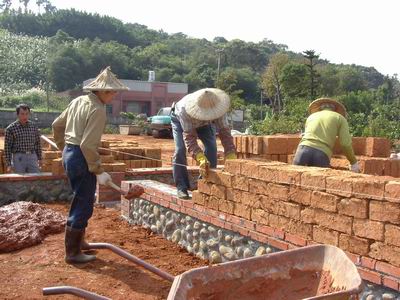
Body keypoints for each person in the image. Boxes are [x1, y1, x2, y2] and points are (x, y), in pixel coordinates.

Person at [52, 67, 128, 264]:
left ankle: (80, 243)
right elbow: (87, 145)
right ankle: (73, 253)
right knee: (84, 203)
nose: (114, 95)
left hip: (71, 153)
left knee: (80, 198)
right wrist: (98, 169)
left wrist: (64, 149)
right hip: (82, 156)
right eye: (112, 92)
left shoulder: (78, 101)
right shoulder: (98, 109)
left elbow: (56, 126)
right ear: (102, 91)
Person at [171, 88, 237, 199]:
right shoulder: (184, 110)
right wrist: (200, 157)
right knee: (180, 150)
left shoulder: (219, 109)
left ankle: (205, 184)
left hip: (205, 124)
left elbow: (225, 133)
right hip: (179, 121)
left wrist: (230, 152)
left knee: (212, 147)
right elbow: (190, 139)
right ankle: (181, 187)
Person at [293, 98, 360, 172]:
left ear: (320, 108)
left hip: (302, 150)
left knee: (294, 180)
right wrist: (353, 162)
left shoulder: (311, 117)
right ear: (334, 109)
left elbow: (305, 135)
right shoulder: (340, 118)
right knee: (318, 182)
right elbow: (345, 144)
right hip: (321, 154)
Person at [4, 104, 42, 173]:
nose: (25, 116)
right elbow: (7, 147)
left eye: (27, 114)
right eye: (22, 114)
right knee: (20, 180)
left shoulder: (33, 126)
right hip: (19, 158)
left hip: (32, 156)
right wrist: (8, 164)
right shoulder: (10, 129)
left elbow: (38, 143)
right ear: (17, 114)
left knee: (35, 178)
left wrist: (40, 158)